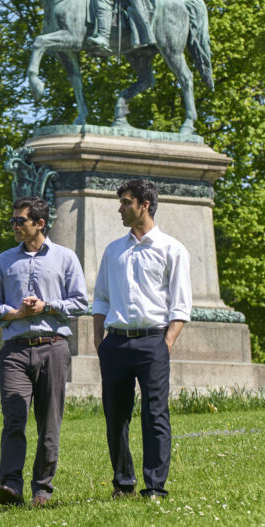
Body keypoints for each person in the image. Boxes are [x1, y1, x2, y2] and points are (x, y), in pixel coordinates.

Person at [0, 196, 88, 508]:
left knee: (49, 423)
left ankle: (42, 489)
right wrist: (15, 314)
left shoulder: (66, 258)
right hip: (15, 349)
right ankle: (11, 486)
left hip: (53, 347)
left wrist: (47, 306)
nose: (14, 226)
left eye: (20, 221)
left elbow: (81, 302)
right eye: (13, 220)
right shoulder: (4, 261)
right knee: (14, 419)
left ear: (39, 224)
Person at [93, 179, 191, 500]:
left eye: (125, 202)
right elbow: (101, 302)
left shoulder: (172, 250)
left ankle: (155, 486)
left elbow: (180, 306)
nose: (119, 208)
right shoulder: (113, 251)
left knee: (155, 415)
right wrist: (100, 344)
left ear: (144, 205)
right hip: (116, 344)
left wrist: (166, 344)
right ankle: (123, 483)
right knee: (115, 417)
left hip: (153, 342)